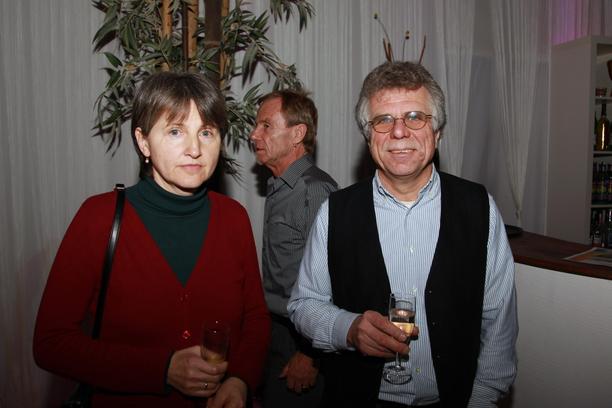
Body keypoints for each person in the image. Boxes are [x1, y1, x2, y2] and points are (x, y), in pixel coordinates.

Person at [288, 61, 518, 408]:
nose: (398, 132)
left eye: (415, 117)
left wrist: (482, 400)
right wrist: (348, 328)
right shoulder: (335, 212)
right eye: (383, 120)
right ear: (368, 137)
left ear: (437, 132)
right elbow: (303, 305)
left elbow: (498, 319)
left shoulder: (478, 207)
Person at [33, 72, 271, 407]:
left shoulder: (234, 217)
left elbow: (256, 317)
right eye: (175, 131)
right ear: (143, 142)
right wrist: (162, 369)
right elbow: (51, 343)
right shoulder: (99, 218)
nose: (194, 149)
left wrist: (240, 380)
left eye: (206, 132)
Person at [249, 90, 338, 407]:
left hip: (301, 339)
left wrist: (310, 355)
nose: (254, 134)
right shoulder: (279, 186)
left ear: (297, 133)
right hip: (277, 331)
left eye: (266, 125)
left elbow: (335, 279)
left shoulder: (314, 190)